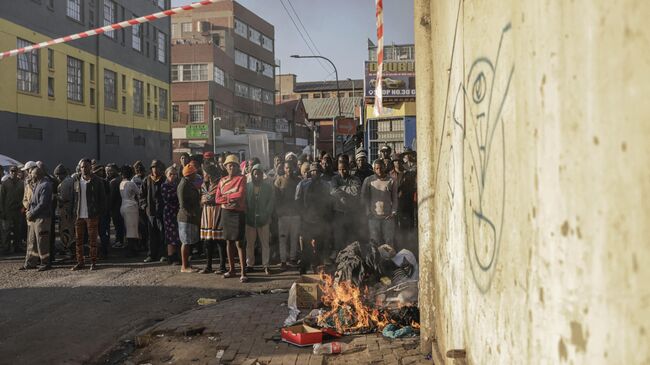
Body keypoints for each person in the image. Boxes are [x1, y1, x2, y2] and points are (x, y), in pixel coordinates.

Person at [215, 154, 248, 282]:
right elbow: (217, 198)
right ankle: (232, 269)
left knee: (239, 242)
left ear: (237, 167)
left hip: (238, 213)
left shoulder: (241, 178)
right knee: (228, 241)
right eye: (229, 165)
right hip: (226, 213)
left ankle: (243, 272)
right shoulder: (222, 181)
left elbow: (240, 194)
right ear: (226, 167)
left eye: (234, 165)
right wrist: (230, 198)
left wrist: (226, 197)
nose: (232, 167)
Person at [295, 163, 333, 274]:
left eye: (317, 171)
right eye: (313, 171)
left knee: (319, 246)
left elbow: (329, 201)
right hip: (307, 220)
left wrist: (326, 217)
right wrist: (302, 215)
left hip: (320, 220)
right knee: (306, 247)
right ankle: (303, 268)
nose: (315, 173)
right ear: (309, 172)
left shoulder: (326, 185)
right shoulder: (302, 184)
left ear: (320, 173)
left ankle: (318, 268)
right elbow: (297, 200)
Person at [72, 159, 106, 271]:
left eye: (86, 166)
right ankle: (80, 262)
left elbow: (102, 199)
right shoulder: (76, 180)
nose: (84, 169)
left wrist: (99, 212)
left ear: (90, 167)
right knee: (78, 240)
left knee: (93, 240)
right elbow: (74, 198)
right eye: (82, 167)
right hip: (79, 215)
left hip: (92, 215)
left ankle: (93, 262)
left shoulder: (97, 181)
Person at [245, 164, 275, 275]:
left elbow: (271, 202)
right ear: (252, 175)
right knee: (250, 244)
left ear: (262, 175)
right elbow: (245, 202)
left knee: (265, 244)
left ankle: (266, 265)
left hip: (264, 219)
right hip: (250, 219)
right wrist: (247, 213)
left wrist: (267, 213)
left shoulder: (267, 187)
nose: (257, 176)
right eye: (255, 174)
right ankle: (250, 264)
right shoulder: (247, 186)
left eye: (259, 174)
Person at [21, 167, 53, 271]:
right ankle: (31, 262)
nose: (30, 176)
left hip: (42, 218)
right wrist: (29, 212)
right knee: (32, 241)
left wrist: (32, 213)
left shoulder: (45, 185)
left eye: (32, 174)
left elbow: (42, 204)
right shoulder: (37, 184)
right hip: (35, 218)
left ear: (37, 175)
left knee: (42, 241)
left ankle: (45, 263)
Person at [361, 159, 398, 246]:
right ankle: (375, 259)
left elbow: (395, 198)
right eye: (377, 168)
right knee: (374, 241)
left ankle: (389, 259)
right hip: (373, 217)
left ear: (384, 167)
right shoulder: (368, 180)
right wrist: (368, 211)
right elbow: (364, 197)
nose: (379, 170)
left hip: (388, 217)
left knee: (389, 241)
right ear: (373, 169)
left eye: (381, 168)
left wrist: (393, 212)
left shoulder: (391, 180)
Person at [274, 161, 301, 269]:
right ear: (284, 169)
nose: (289, 170)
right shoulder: (279, 180)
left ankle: (293, 259)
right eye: (286, 168)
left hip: (295, 214)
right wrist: (278, 212)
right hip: (283, 215)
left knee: (294, 238)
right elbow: (276, 198)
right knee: (283, 239)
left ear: (294, 168)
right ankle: (283, 261)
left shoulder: (298, 180)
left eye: (290, 168)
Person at [330, 160, 362, 252]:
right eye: (340, 169)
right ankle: (339, 255)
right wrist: (347, 191)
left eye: (344, 169)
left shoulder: (355, 179)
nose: (342, 171)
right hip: (339, 211)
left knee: (351, 235)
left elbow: (356, 191)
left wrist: (341, 189)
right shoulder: (335, 179)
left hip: (351, 212)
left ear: (348, 169)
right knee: (339, 236)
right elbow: (333, 191)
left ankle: (352, 255)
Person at [199, 164, 226, 274]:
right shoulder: (204, 185)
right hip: (207, 214)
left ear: (209, 174)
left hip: (217, 213)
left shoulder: (220, 184)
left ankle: (222, 266)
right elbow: (201, 199)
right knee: (208, 242)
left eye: (204, 173)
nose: (203, 175)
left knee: (220, 241)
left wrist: (209, 199)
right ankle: (208, 266)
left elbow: (221, 198)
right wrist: (203, 200)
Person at [177, 163, 202, 273]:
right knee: (186, 242)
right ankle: (184, 266)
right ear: (190, 175)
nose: (196, 175)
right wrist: (193, 214)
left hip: (190, 217)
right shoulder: (183, 185)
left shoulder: (188, 183)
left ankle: (187, 265)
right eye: (194, 173)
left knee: (188, 242)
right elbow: (183, 205)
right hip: (186, 218)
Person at [141, 160, 166, 263]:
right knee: (151, 236)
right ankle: (151, 255)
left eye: (157, 167)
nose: (155, 169)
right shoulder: (147, 180)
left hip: (162, 212)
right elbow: (141, 195)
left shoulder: (164, 180)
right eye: (153, 167)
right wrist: (144, 206)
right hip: (150, 212)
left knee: (162, 235)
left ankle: (163, 255)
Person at [390, 155, 417, 248]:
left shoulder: (407, 174)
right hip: (393, 205)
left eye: (398, 161)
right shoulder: (390, 175)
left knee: (406, 228)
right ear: (393, 163)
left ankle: (407, 247)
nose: (397, 163)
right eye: (395, 161)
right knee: (395, 229)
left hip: (406, 204)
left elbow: (412, 188)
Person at [0, 166, 25, 254]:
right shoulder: (5, 183)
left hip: (18, 210)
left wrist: (22, 208)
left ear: (17, 172)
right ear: (10, 172)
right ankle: (6, 247)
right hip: (8, 210)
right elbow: (2, 198)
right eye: (12, 171)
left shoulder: (22, 183)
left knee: (18, 230)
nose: (13, 173)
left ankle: (17, 246)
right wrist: (2, 211)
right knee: (6, 230)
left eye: (15, 171)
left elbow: (24, 197)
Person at [53, 164, 75, 257]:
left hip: (65, 210)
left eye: (58, 175)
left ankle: (68, 249)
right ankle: (69, 248)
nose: (57, 177)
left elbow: (64, 198)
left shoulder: (65, 183)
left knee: (65, 231)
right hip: (69, 209)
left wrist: (55, 196)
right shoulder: (71, 180)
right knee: (70, 230)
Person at [161, 166, 181, 264]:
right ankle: (171, 257)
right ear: (166, 175)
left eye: (174, 174)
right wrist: (178, 192)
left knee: (176, 234)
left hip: (176, 212)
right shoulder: (165, 186)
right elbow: (168, 197)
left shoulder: (176, 184)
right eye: (170, 174)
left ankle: (175, 255)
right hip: (169, 212)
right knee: (170, 235)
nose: (173, 176)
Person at [119, 165, 140, 257]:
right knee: (132, 229)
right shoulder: (131, 183)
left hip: (123, 205)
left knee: (127, 228)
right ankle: (132, 250)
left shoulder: (121, 183)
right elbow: (139, 192)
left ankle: (130, 248)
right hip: (131, 206)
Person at [106, 164, 125, 250]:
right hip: (122, 206)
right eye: (107, 171)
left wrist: (109, 208)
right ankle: (121, 240)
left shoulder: (113, 182)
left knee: (118, 226)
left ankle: (119, 241)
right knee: (121, 226)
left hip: (116, 208)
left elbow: (111, 197)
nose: (108, 173)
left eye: (110, 171)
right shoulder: (121, 179)